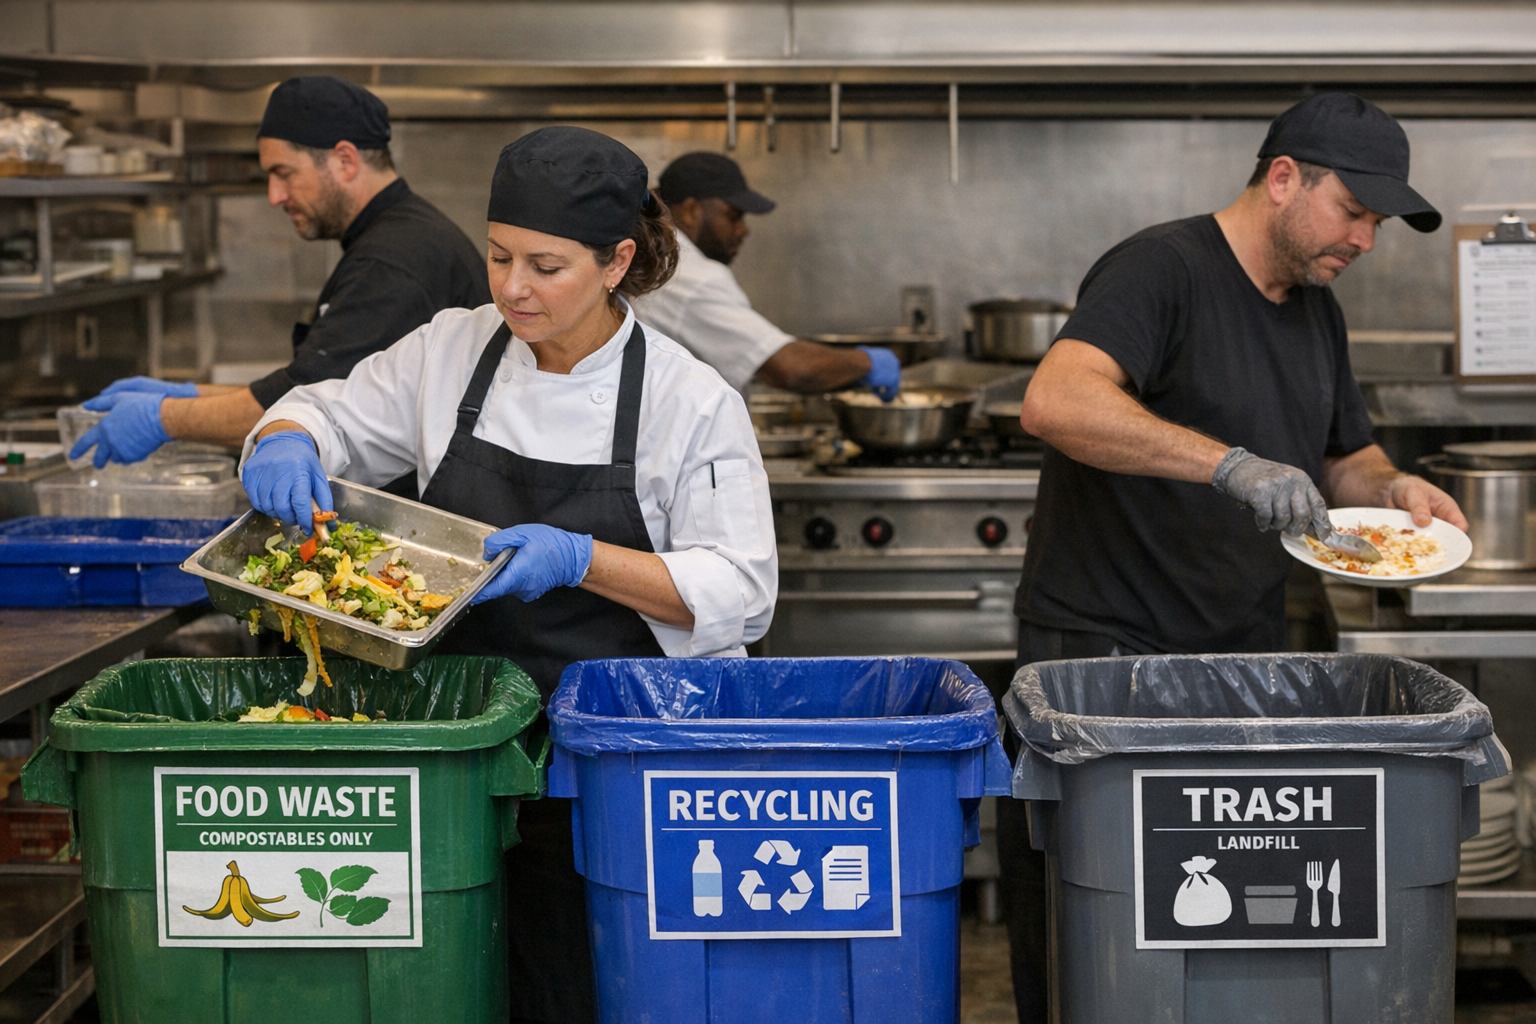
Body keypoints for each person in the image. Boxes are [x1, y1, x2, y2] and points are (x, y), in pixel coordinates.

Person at [238, 126, 777, 1023]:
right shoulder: (451, 347)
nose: (513, 287)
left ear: (616, 262)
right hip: (451, 749)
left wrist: (581, 559)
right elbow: (329, 413)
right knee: (449, 983)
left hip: (599, 766)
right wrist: (289, 439)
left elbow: (740, 590)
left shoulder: (690, 401)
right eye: (497, 257)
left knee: (570, 988)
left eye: (545, 265)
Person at [1000, 93, 1468, 1022]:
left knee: (1199, 943)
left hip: (1238, 658)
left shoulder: (1315, 309)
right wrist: (1229, 465)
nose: (1367, 240)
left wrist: (1393, 489)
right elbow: (1055, 401)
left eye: (1378, 222)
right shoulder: (1160, 268)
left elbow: (1346, 453)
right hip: (1105, 656)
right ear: (1284, 179)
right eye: (1355, 212)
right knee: (1094, 928)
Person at [71, 75, 489, 472]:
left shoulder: (395, 260)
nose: (274, 196)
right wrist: (189, 395)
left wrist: (164, 418)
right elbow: (306, 387)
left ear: (345, 159)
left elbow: (305, 412)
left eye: (283, 173)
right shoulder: (397, 238)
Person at [633, 151, 902, 400]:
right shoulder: (691, 277)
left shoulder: (657, 260)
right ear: (691, 211)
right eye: (733, 216)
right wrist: (869, 361)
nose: (743, 230)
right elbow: (792, 368)